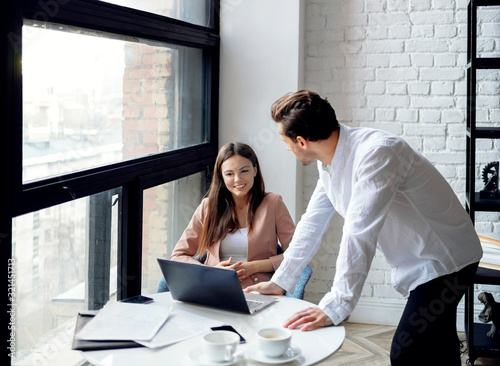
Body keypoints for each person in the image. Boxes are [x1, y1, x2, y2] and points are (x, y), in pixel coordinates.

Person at [245, 90, 483, 365]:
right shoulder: (329, 162)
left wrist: (336, 306)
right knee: (438, 345)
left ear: (301, 141)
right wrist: (280, 281)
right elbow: (312, 223)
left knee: (406, 351)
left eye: (285, 141)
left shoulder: (378, 153)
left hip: (447, 260)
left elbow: (359, 232)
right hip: (427, 260)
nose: (286, 148)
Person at [168, 142, 295, 289]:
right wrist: (211, 272)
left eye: (244, 171)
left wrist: (255, 266)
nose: (237, 179)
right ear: (221, 177)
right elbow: (178, 256)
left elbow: (296, 255)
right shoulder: (208, 207)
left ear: (254, 170)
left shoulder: (273, 203)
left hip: (257, 290)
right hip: (214, 288)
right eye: (229, 174)